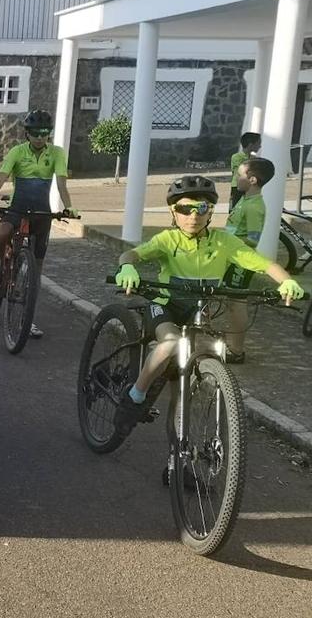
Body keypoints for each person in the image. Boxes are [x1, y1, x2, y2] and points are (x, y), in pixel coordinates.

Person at [112, 174, 304, 436]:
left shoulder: (223, 242)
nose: (193, 216)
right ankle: (135, 395)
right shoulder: (168, 240)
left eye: (202, 208)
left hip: (197, 314)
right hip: (165, 307)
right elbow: (131, 254)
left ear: (211, 212)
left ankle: (178, 453)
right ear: (173, 211)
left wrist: (287, 281)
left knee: (182, 387)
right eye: (185, 209)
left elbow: (264, 264)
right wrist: (127, 267)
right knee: (170, 342)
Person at [0, 110, 80, 338]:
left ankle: (27, 318)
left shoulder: (57, 153)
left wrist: (69, 206)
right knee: (3, 232)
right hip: (17, 208)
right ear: (27, 133)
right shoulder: (17, 152)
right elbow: (1, 177)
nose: (40, 137)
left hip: (42, 213)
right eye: (35, 133)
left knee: (36, 268)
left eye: (44, 132)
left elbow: (61, 183)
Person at [223, 156, 274, 363]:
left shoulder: (254, 206)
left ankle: (236, 350)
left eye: (240, 175)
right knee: (230, 302)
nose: (236, 179)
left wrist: (228, 242)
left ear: (252, 180)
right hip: (231, 258)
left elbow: (253, 239)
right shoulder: (246, 199)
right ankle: (231, 344)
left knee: (237, 302)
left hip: (241, 262)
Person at [228, 131, 262, 209]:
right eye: (258, 143)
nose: (260, 146)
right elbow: (242, 171)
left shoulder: (254, 158)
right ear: (250, 144)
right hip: (237, 187)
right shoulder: (236, 157)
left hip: (249, 187)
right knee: (235, 208)